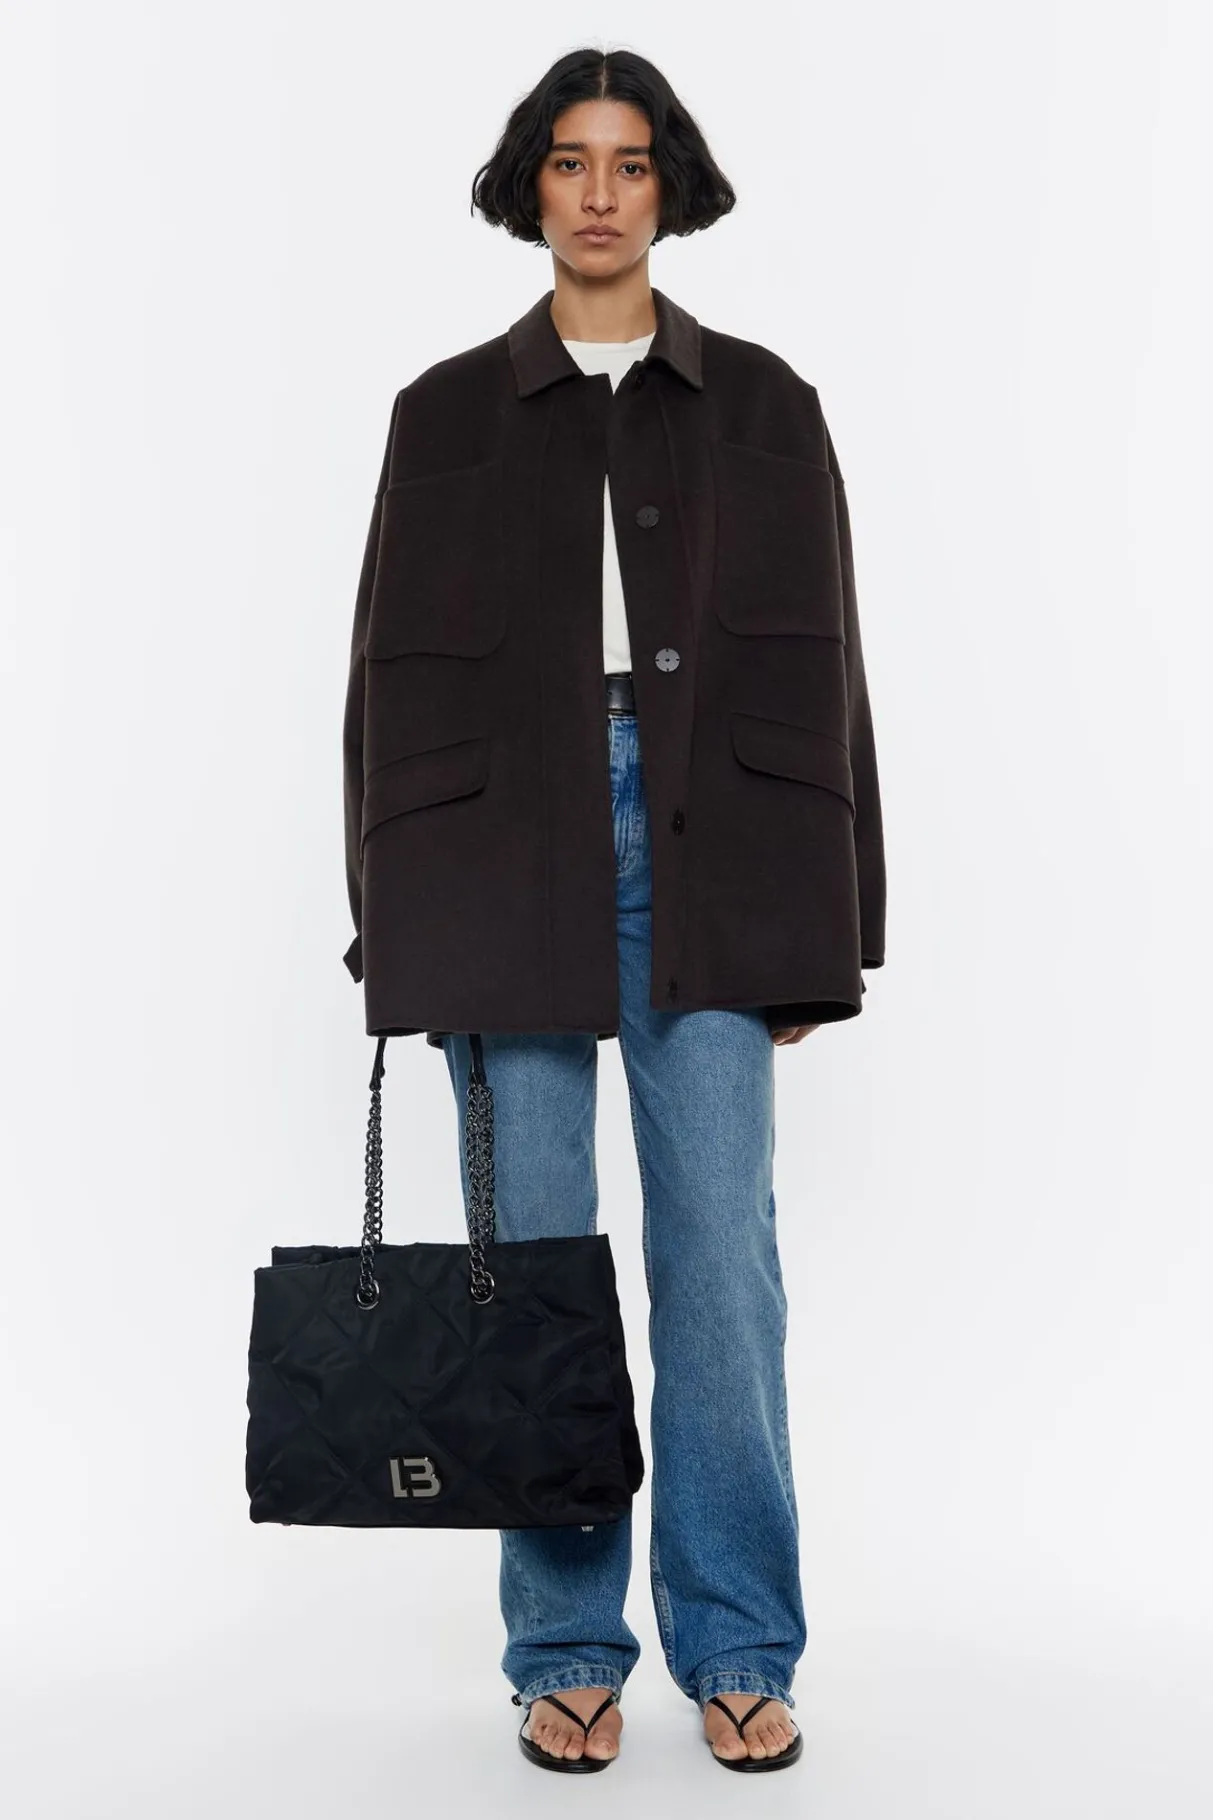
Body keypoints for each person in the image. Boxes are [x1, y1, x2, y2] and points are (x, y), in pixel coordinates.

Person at [341, 45, 885, 1775]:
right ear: (533, 185)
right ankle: (564, 1645)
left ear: (669, 186)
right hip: (504, 855)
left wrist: (835, 924)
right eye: (571, 161)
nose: (598, 192)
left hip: (716, 856)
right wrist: (392, 921)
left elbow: (823, 671)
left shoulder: (765, 404)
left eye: (629, 162)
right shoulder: (442, 411)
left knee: (722, 1264)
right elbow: (387, 687)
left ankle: (738, 1642)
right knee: (539, 1273)